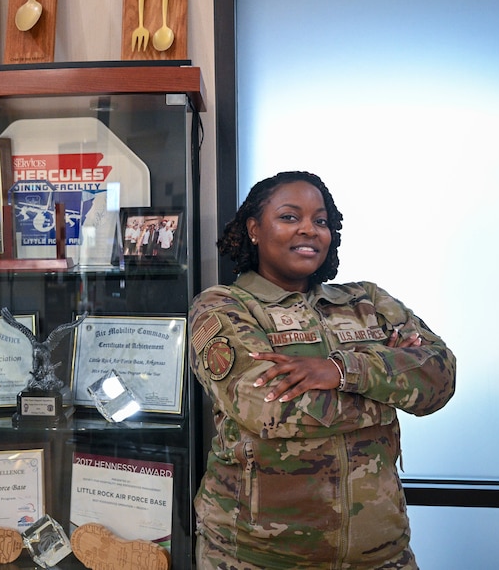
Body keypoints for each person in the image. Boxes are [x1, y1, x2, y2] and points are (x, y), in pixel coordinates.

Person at [189, 170, 456, 569]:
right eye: (290, 217)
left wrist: (343, 370)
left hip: (382, 553)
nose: (309, 230)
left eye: (321, 221)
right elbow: (270, 409)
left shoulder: (366, 300)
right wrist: (394, 390)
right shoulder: (224, 307)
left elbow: (441, 376)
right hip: (259, 556)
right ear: (254, 229)